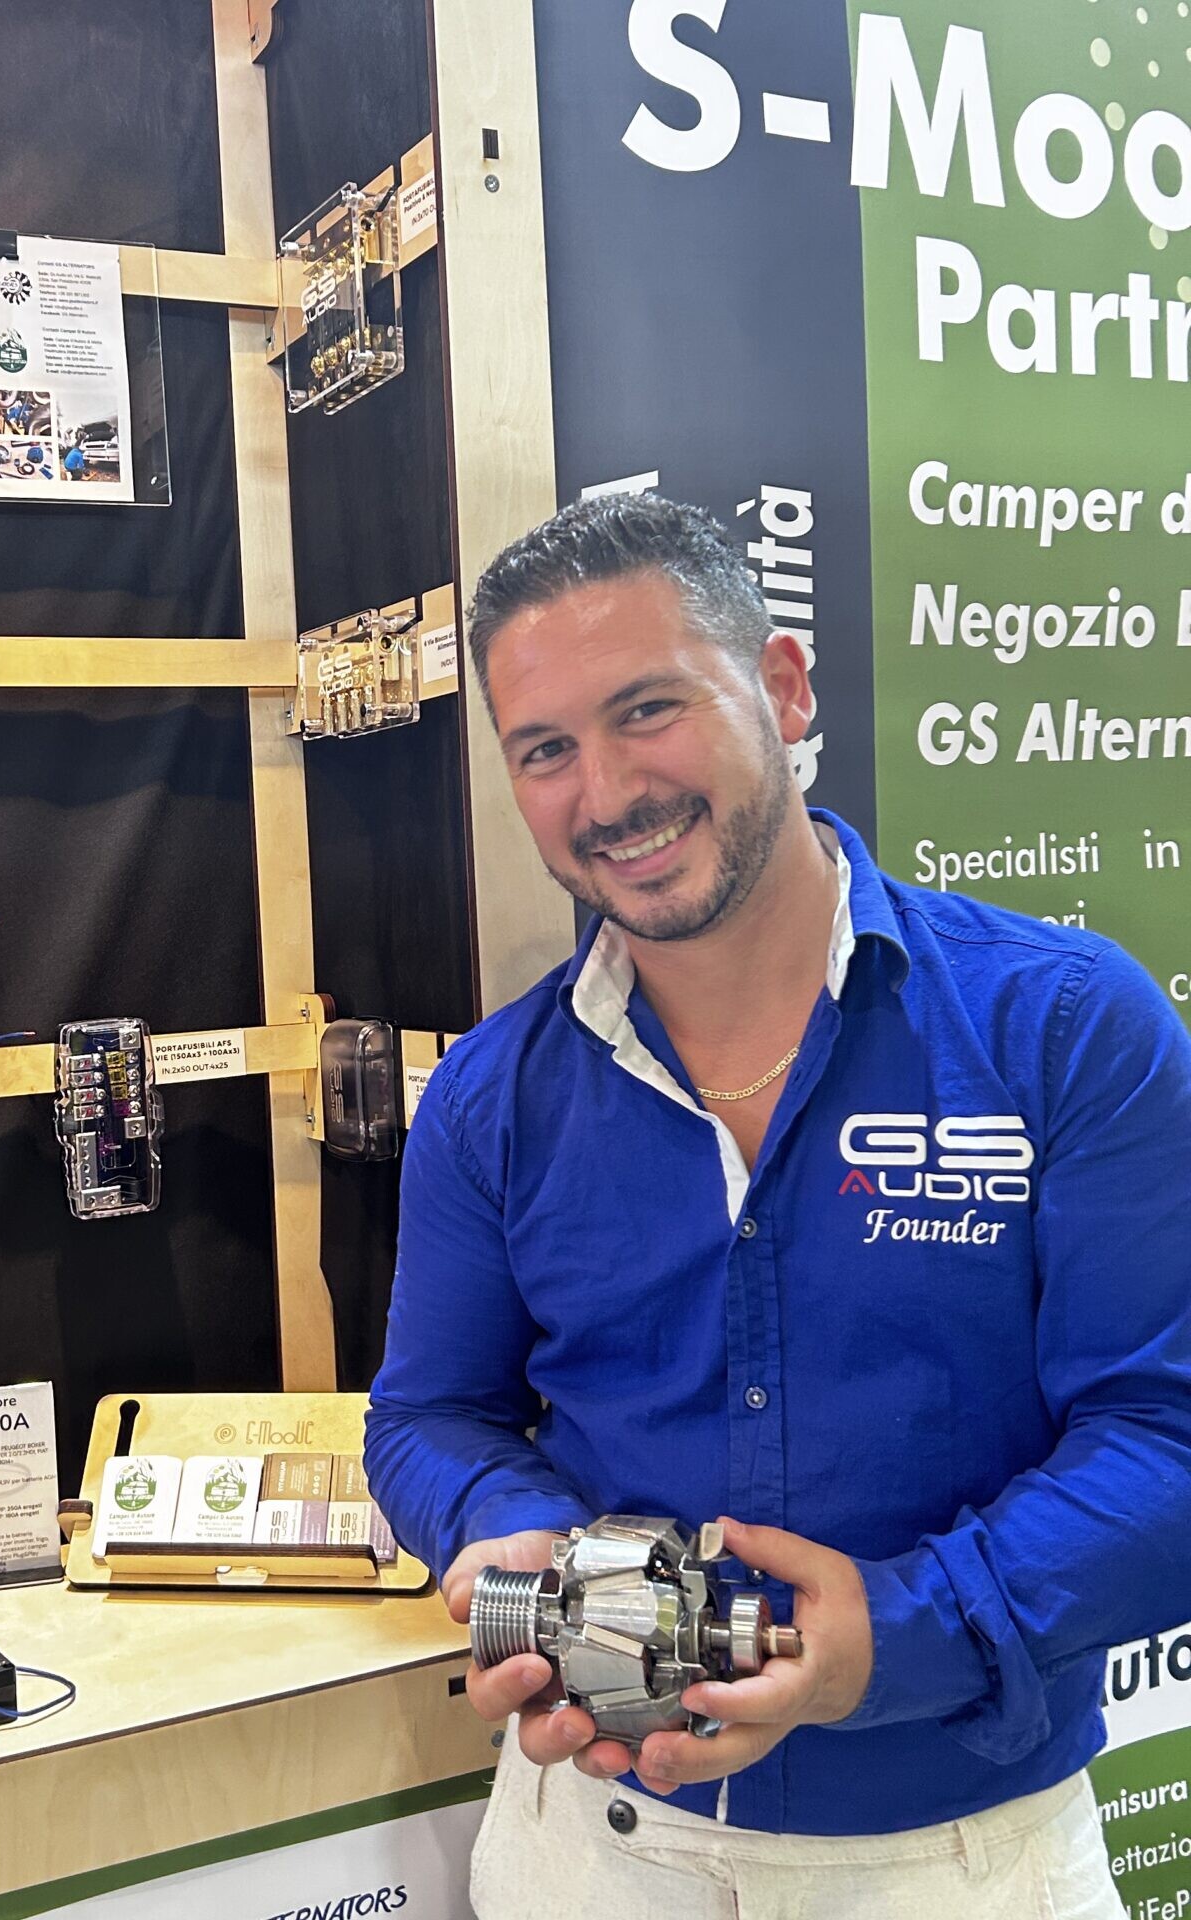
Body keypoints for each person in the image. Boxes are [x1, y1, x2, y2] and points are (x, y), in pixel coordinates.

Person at [363, 492, 1191, 1916]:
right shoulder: (491, 1096)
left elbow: (1167, 1440)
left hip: (963, 1862)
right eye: (545, 750)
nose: (606, 794)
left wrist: (896, 1635)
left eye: (648, 710)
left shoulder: (1063, 1029)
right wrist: (508, 1532)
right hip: (589, 1849)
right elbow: (429, 1415)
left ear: (786, 687)